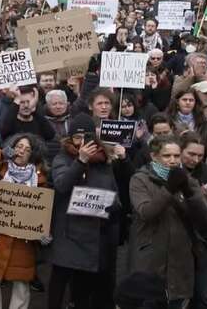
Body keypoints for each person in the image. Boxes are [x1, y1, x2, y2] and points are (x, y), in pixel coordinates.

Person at [47, 114, 124, 309]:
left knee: (83, 289)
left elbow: (114, 194)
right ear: (70, 139)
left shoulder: (104, 162)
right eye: (77, 138)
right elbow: (62, 185)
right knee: (58, 284)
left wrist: (109, 204)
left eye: (86, 138)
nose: (81, 143)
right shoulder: (62, 158)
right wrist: (80, 161)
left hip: (92, 234)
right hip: (68, 233)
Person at [129, 134, 207, 309]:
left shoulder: (187, 180)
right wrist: (169, 189)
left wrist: (190, 193)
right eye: (167, 156)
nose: (173, 161)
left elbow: (206, 220)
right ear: (154, 156)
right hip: (151, 258)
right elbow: (147, 212)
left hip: (180, 260)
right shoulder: (140, 179)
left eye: (176, 156)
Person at [0, 133, 48, 309]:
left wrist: (43, 231)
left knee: (21, 284)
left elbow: (43, 210)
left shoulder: (40, 179)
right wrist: (0, 154)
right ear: (12, 148)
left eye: (27, 149)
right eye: (19, 146)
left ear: (32, 155)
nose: (22, 151)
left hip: (23, 242)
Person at [178, 132, 207, 309]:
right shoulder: (168, 170)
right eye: (191, 154)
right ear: (181, 150)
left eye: (200, 156)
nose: (195, 160)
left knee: (202, 297)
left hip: (201, 242)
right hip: (174, 241)